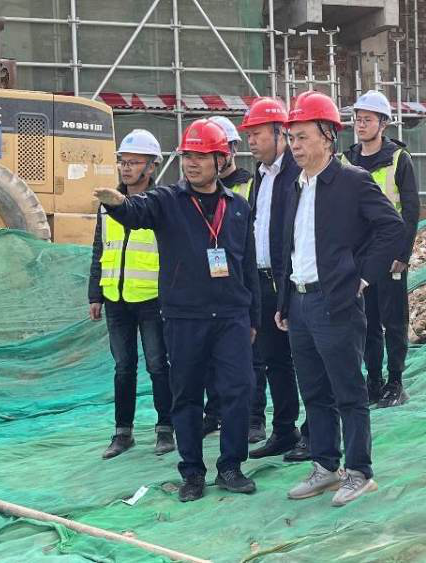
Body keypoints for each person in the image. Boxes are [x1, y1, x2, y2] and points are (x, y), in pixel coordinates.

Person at [93, 119, 260, 502]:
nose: (192, 163)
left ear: (221, 160)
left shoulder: (238, 207)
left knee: (239, 391)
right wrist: (117, 204)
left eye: (200, 156)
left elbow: (247, 264)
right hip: (185, 317)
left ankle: (231, 467)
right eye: (187, 156)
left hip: (231, 317)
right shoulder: (167, 201)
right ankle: (193, 473)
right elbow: (136, 212)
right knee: (185, 396)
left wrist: (252, 316)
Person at [275, 90, 404, 506]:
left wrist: (361, 276)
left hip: (336, 303)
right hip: (300, 303)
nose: (295, 145)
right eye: (291, 138)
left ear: (328, 136)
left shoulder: (352, 181)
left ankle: (359, 470)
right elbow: (289, 247)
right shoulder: (294, 186)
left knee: (349, 391)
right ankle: (326, 466)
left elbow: (392, 228)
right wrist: (284, 302)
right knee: (314, 392)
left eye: (303, 137)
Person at [88, 129, 175, 460]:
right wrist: (95, 294)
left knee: (158, 365)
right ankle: (122, 432)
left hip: (151, 298)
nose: (126, 168)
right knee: (123, 367)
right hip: (116, 298)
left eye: (134, 162)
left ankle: (165, 428)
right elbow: (100, 249)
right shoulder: (107, 203)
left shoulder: (162, 203)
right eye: (123, 161)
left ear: (151, 167)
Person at [238, 97, 309, 461]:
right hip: (263, 282)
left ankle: (314, 432)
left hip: (292, 282)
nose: (251, 141)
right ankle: (284, 429)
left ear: (281, 133)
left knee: (307, 360)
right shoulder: (261, 177)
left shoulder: (297, 174)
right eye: (248, 135)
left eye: (258, 133)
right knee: (275, 361)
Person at [341, 89, 420, 408]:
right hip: (360, 255)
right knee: (367, 320)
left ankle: (395, 381)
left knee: (394, 320)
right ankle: (373, 380)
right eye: (358, 119)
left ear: (383, 123)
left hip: (390, 254)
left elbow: (411, 210)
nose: (360, 125)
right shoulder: (346, 160)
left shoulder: (399, 159)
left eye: (367, 119)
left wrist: (403, 254)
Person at [200, 115, 259, 441]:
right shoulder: (199, 189)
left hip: (239, 272)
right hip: (209, 279)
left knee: (249, 358)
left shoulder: (248, 184)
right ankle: (214, 412)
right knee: (209, 356)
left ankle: (252, 417)